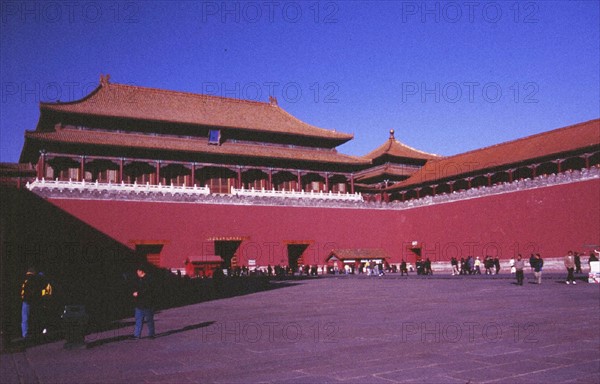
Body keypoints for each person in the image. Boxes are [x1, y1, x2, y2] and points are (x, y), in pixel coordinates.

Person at [132, 265, 156, 339]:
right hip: (139, 303)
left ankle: (151, 334)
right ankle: (136, 335)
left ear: (141, 271)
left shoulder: (149, 279)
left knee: (149, 320)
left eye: (138, 271)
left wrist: (138, 293)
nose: (137, 272)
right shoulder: (138, 279)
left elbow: (148, 290)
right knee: (138, 320)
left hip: (147, 303)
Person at [21, 267, 41, 339]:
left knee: (25, 318)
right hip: (32, 301)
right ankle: (34, 333)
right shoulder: (34, 280)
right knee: (32, 317)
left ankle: (25, 334)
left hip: (25, 300)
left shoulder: (24, 279)